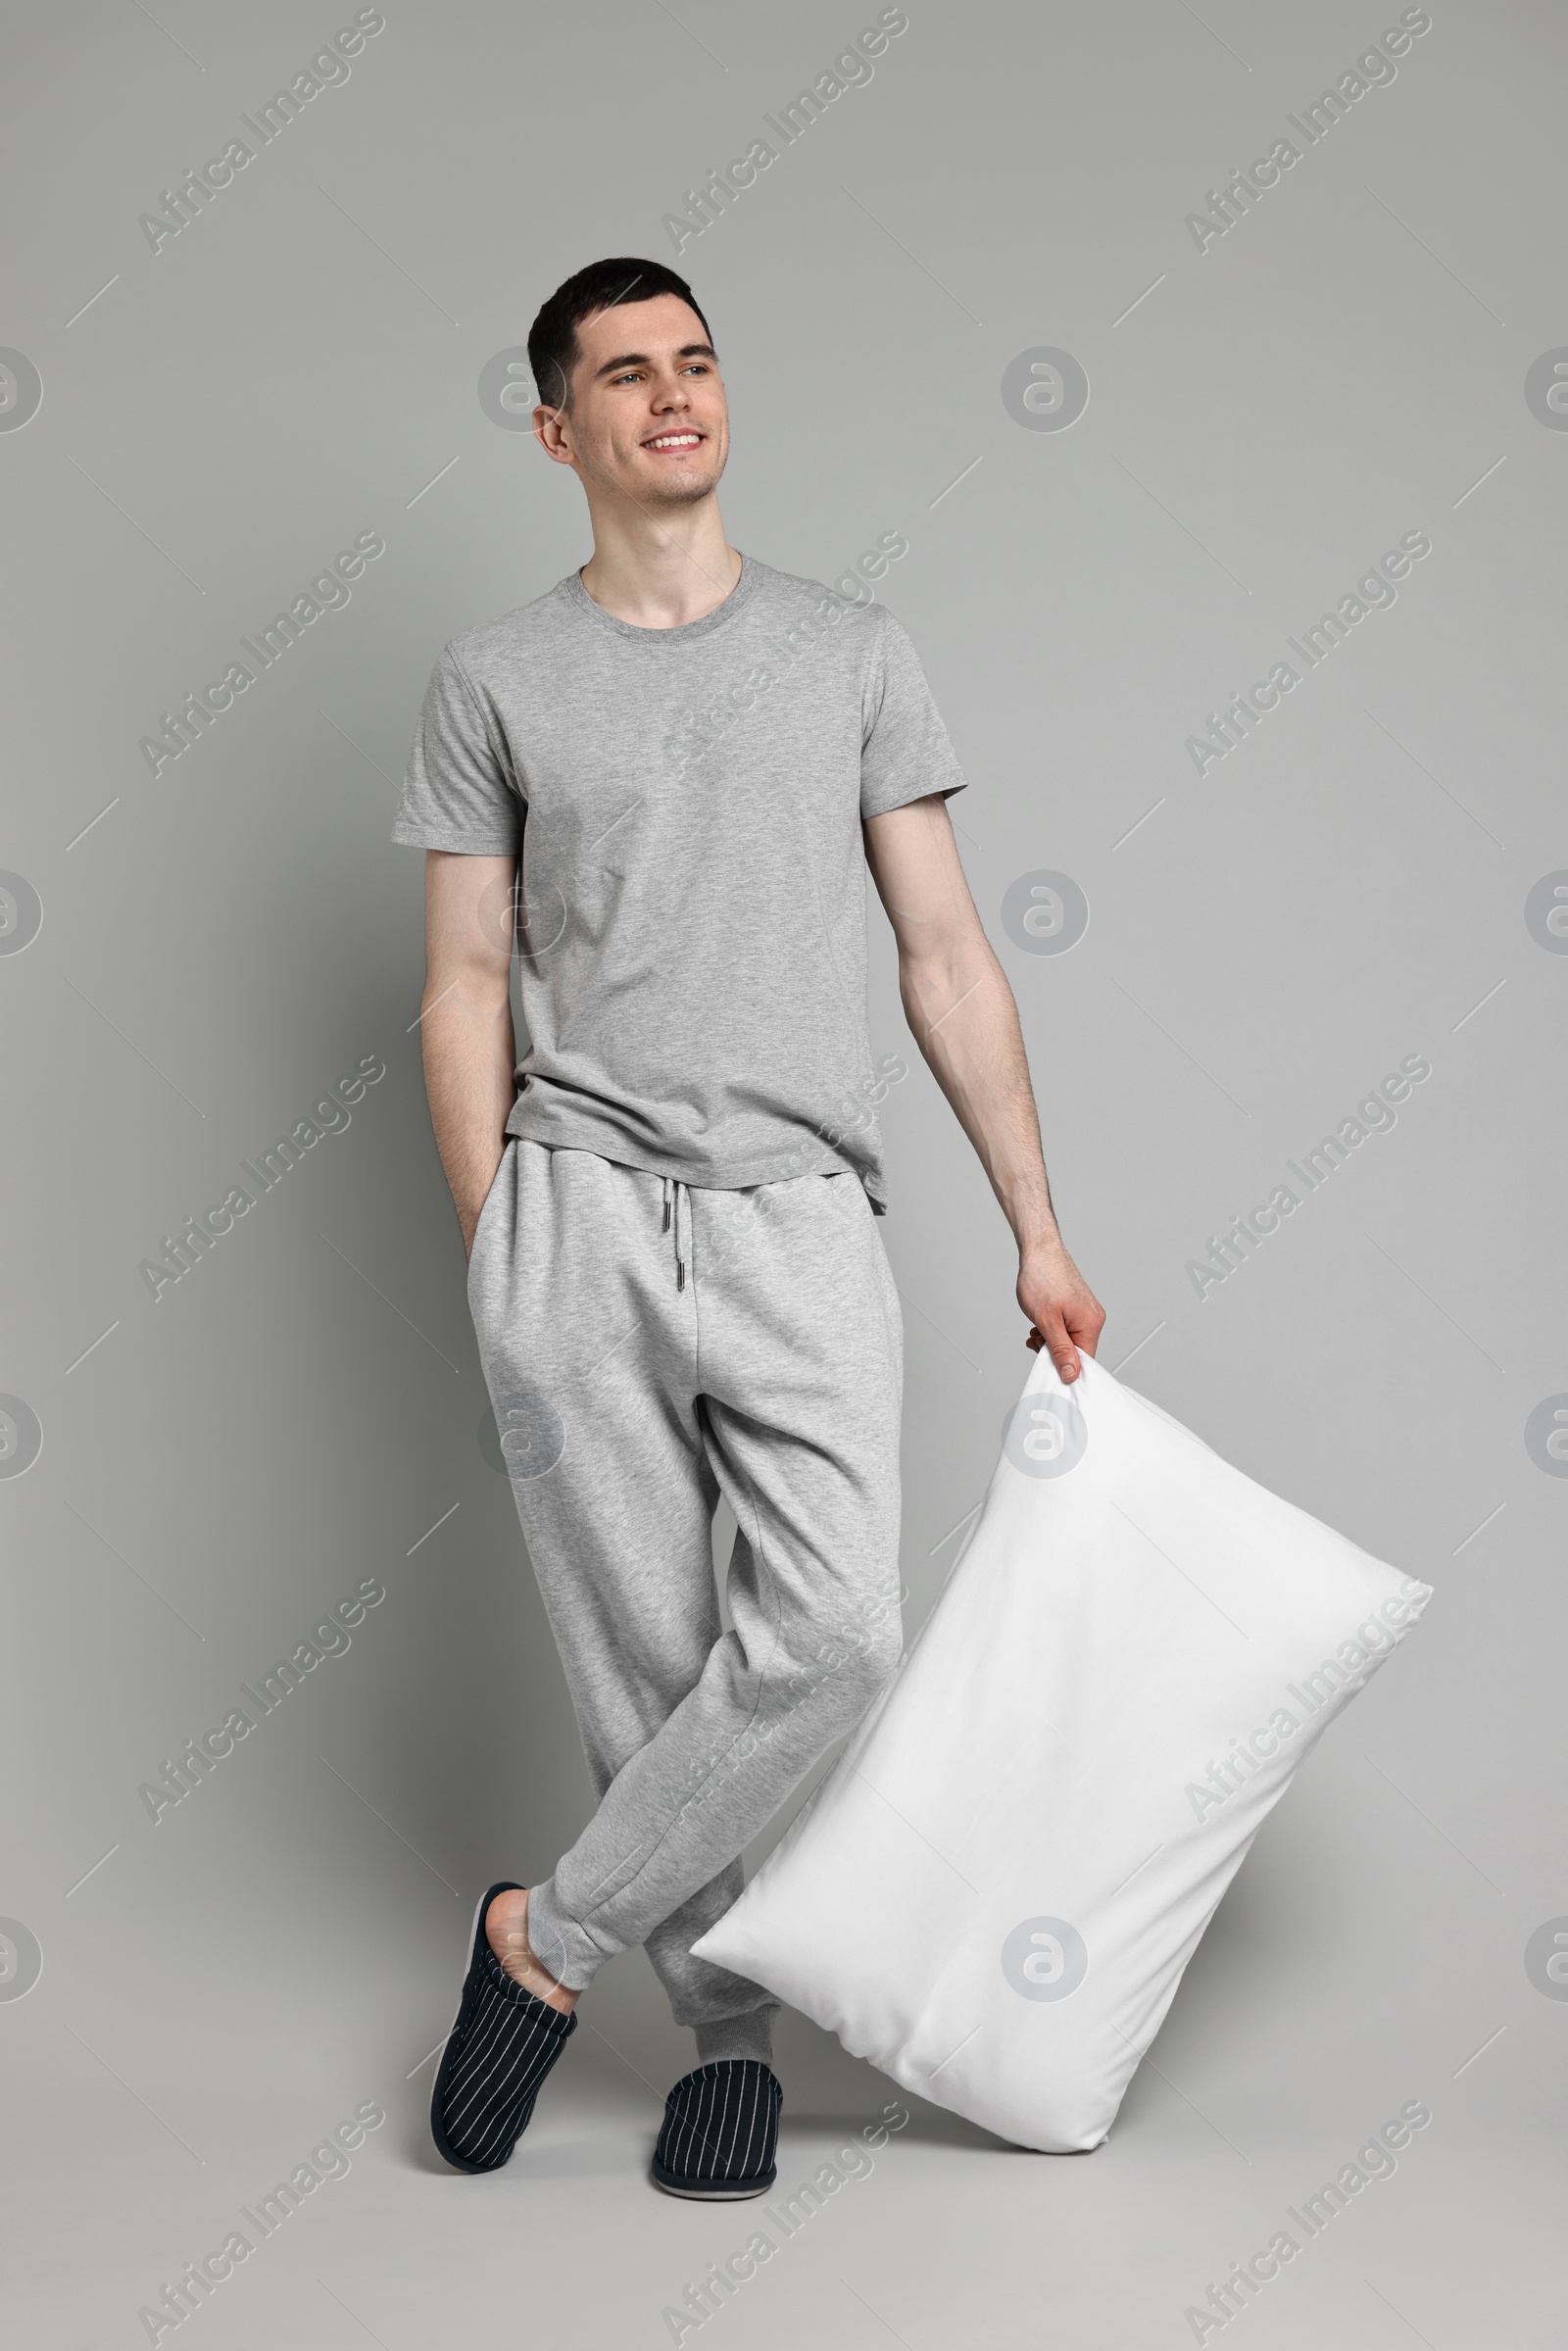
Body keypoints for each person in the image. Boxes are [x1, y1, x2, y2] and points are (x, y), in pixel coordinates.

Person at [393, 256, 1104, 2198]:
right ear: (560, 430)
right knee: (643, 1653)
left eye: (694, 363)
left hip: (799, 1209)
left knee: (822, 1636)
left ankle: (542, 1938)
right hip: (577, 1212)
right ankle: (726, 2038)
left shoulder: (854, 650)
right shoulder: (494, 678)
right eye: (624, 375)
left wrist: (1033, 1228)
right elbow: (462, 983)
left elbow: (944, 956)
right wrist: (495, 1247)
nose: (671, 397)